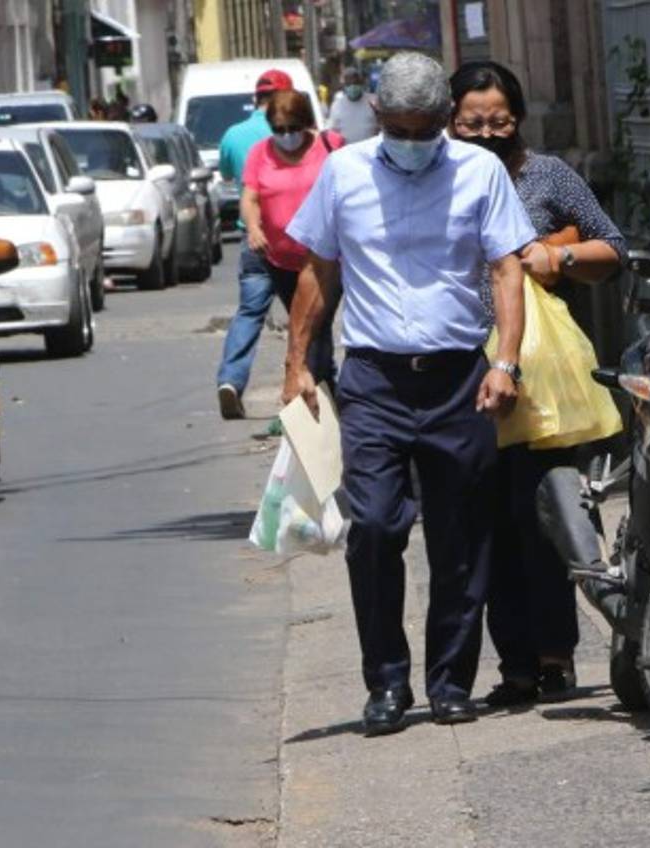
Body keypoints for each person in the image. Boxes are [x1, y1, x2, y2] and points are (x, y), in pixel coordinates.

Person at [283, 52, 535, 735]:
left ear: (445, 120)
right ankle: (386, 684)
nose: (414, 141)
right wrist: (296, 363)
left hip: (458, 378)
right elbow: (318, 270)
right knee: (373, 528)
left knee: (460, 539)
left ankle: (451, 682)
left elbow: (508, 269)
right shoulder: (344, 172)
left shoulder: (479, 173)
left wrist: (504, 361)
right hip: (373, 380)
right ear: (379, 116)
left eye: (426, 128)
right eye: (400, 127)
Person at [449, 60, 626, 707]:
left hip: (544, 379)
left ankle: (555, 656)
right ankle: (515, 664)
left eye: (499, 121)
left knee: (543, 517)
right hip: (467, 372)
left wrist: (558, 257)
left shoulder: (547, 176)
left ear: (517, 119)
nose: (487, 133)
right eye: (472, 123)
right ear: (450, 123)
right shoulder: (441, 179)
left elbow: (615, 248)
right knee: (486, 524)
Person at [218, 90, 342, 415]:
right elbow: (249, 197)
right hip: (281, 260)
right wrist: (254, 229)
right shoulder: (261, 153)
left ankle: (321, 393)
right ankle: (322, 391)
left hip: (325, 260)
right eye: (279, 130)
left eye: (292, 128)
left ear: (306, 123)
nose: (286, 136)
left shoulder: (331, 146)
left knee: (316, 323)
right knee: (303, 325)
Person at [213, 69, 293, 419]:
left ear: (255, 98)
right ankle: (319, 384)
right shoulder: (298, 133)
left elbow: (229, 176)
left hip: (254, 237)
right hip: (293, 241)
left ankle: (230, 380)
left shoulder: (233, 133)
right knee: (307, 319)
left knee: (249, 312)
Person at [327, 68, 378, 143]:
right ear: (344, 86)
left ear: (361, 83)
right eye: (349, 84)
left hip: (371, 152)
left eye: (355, 83)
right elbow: (332, 132)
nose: (352, 86)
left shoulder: (373, 101)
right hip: (346, 152)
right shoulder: (337, 106)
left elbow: (383, 126)